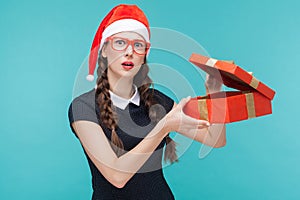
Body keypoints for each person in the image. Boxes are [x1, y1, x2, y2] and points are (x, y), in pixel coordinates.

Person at [68, 4, 226, 200]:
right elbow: (116, 176)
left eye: (138, 45)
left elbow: (215, 139)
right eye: (119, 42)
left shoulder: (159, 101)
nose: (129, 52)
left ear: (144, 54)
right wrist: (163, 127)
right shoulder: (83, 107)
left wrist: (215, 92)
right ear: (104, 50)